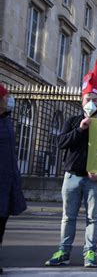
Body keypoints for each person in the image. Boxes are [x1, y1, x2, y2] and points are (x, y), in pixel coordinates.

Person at [45, 59, 97, 268]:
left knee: (93, 219)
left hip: (94, 180)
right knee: (68, 217)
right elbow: (60, 142)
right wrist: (80, 129)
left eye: (94, 98)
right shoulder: (73, 121)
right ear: (82, 102)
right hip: (72, 176)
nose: (90, 102)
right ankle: (63, 251)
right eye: (87, 99)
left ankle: (89, 253)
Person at [0, 84, 27, 274]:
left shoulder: (6, 120)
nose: (10, 99)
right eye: (6, 96)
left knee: (1, 223)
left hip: (8, 181)